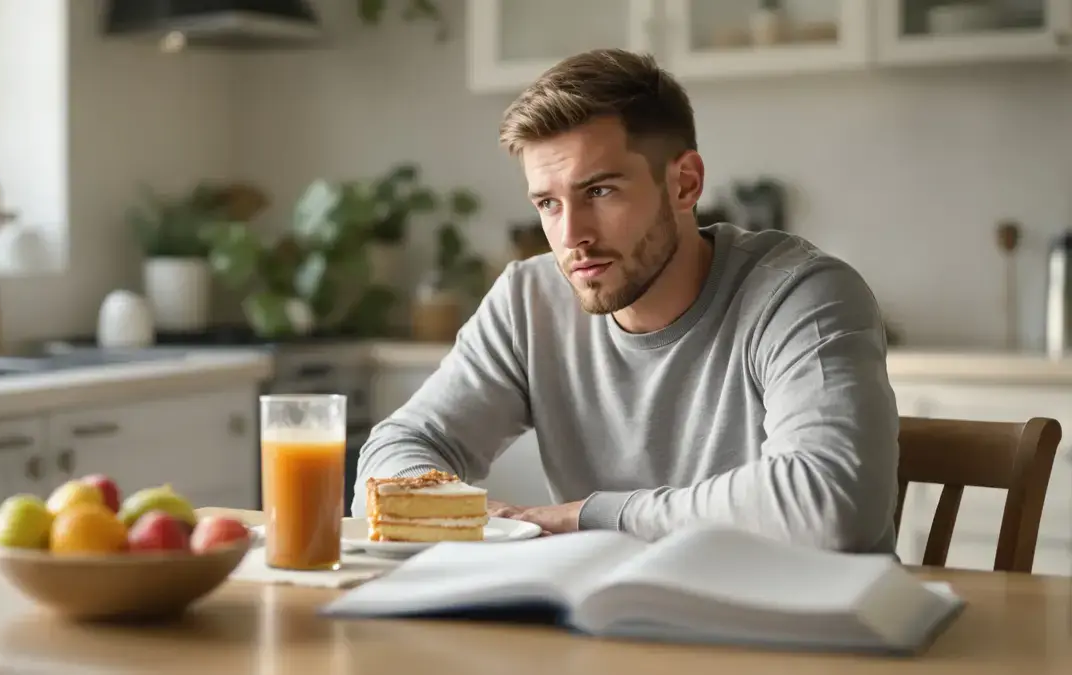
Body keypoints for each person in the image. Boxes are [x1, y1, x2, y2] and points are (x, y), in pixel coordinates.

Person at [354, 48, 899, 554]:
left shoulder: (801, 296)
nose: (571, 236)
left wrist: (589, 517)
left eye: (599, 191)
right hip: (608, 634)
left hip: (799, 639)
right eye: (548, 203)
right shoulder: (529, 301)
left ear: (685, 184)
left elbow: (830, 504)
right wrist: (464, 514)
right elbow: (396, 452)